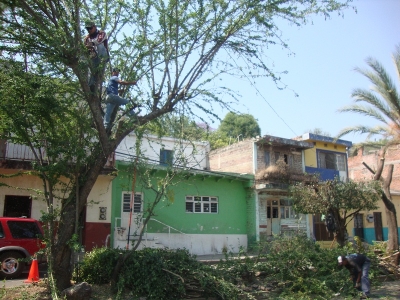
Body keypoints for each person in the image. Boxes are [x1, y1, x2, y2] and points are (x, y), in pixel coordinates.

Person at [83, 20, 109, 90]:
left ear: (94, 27)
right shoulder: (87, 38)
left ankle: (100, 62)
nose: (89, 30)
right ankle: (91, 86)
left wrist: (92, 44)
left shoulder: (102, 33)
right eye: (87, 29)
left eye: (90, 28)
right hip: (94, 57)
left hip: (103, 56)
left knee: (100, 45)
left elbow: (99, 40)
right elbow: (84, 48)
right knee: (93, 71)